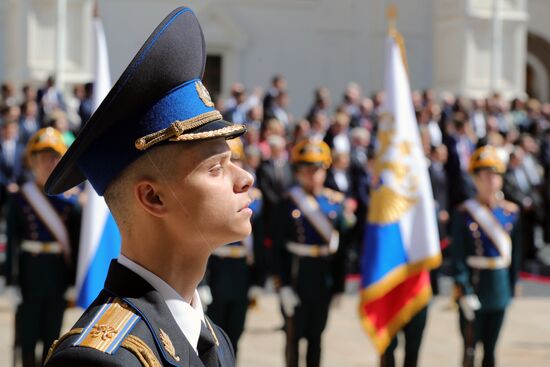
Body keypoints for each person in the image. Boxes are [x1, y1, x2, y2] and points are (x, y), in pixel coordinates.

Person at [43, 7, 252, 367]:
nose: (244, 178)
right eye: (216, 168)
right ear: (153, 197)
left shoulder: (214, 340)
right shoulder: (98, 362)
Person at [5, 127, 81, 367]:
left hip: (57, 276)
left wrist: (73, 283)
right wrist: (10, 282)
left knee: (52, 341)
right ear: (32, 160)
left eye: (54, 157)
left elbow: (77, 246)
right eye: (42, 157)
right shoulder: (19, 199)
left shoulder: (71, 203)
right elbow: (12, 244)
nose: (48, 163)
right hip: (29, 276)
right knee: (27, 342)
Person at [274, 139, 352, 367]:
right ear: (298, 171)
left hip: (322, 278)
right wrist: (283, 285)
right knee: (293, 338)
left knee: (317, 338)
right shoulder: (287, 203)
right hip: (297, 275)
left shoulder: (334, 203)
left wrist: (339, 287)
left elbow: (342, 251)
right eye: (306, 170)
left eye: (317, 169)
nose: (312, 175)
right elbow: (278, 248)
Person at [450, 145, 521, 367]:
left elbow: (515, 256)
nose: (491, 180)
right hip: (475, 285)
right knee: (470, 349)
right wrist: (463, 289)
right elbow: (458, 256)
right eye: (485, 175)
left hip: (498, 288)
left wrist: (511, 287)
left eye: (495, 175)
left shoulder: (510, 213)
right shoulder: (464, 214)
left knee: (490, 350)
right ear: (476, 179)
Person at [205, 138, 264, 356]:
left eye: (237, 159)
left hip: (241, 271)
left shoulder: (254, 198)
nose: (234, 165)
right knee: (212, 340)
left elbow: (260, 242)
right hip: (216, 270)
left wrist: (259, 280)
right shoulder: (211, 196)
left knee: (235, 335)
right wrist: (202, 282)